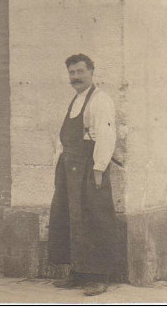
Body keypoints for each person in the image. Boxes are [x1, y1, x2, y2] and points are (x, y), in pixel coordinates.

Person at [48, 54, 119, 297]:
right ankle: (77, 272)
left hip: (89, 168)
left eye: (80, 72)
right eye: (72, 73)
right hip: (69, 168)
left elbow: (107, 135)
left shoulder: (100, 100)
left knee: (94, 217)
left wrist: (99, 169)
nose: (75, 77)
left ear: (91, 72)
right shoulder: (75, 100)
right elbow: (64, 138)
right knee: (69, 216)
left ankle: (99, 276)